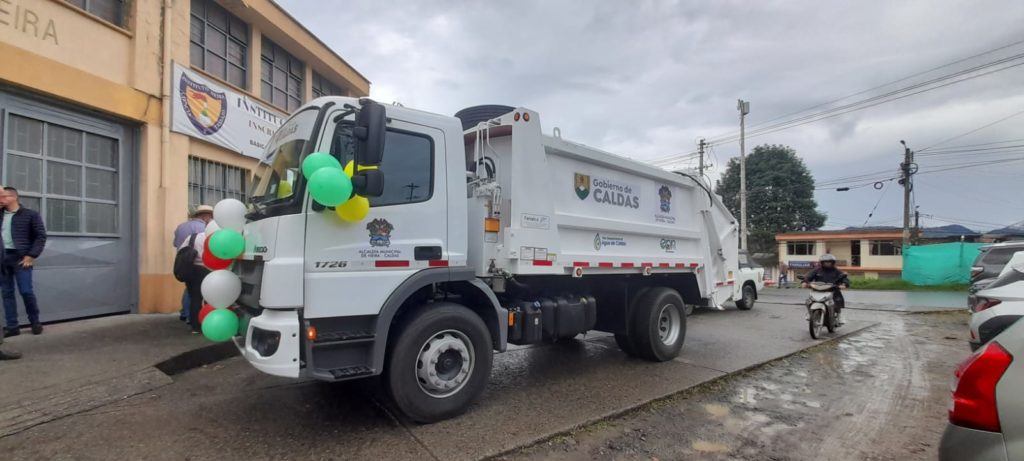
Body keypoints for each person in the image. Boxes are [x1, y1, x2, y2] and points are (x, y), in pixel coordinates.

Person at [1, 187, 47, 338]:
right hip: (2, 258)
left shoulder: (30, 215)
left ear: (13, 197)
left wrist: (31, 256)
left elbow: (40, 236)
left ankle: (35, 322)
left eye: (3, 197)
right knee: (7, 293)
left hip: (21, 259)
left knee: (26, 291)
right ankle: (12, 327)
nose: (0, 200)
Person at [173, 205, 213, 323]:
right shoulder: (204, 229)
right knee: (204, 297)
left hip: (187, 266)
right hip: (203, 267)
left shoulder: (180, 227)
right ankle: (201, 320)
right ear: (206, 216)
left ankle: (187, 315)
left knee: (191, 294)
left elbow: (177, 245)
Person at [802, 254, 849, 325]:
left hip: (832, 290)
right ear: (822, 262)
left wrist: (844, 284)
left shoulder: (836, 271)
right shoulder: (817, 270)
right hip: (817, 290)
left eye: (829, 262)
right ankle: (810, 313)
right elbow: (808, 276)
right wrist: (805, 282)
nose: (827, 263)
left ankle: (839, 315)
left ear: (832, 262)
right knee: (808, 301)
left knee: (838, 299)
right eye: (825, 262)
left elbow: (844, 278)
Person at [178, 231, 210, 333]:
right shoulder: (213, 237)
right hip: (207, 270)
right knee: (209, 299)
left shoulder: (192, 237)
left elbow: (181, 250)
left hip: (191, 270)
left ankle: (195, 326)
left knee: (194, 299)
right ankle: (208, 323)